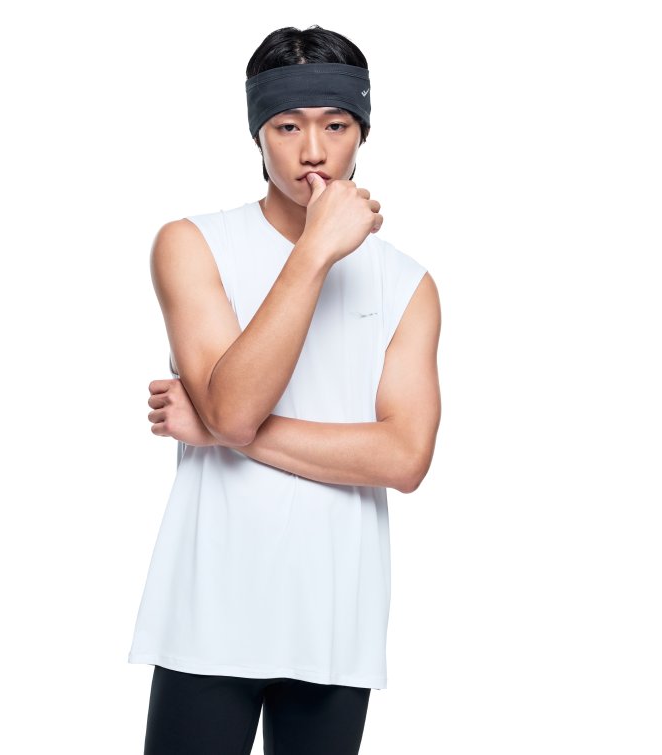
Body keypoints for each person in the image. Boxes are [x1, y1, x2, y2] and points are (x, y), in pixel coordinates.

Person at [129, 24, 442, 755]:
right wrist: (317, 248)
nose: (312, 151)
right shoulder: (191, 243)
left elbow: (403, 458)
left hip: (333, 622)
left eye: (335, 125)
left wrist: (218, 428)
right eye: (287, 126)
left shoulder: (407, 284)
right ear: (257, 133)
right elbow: (235, 406)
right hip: (208, 614)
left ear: (361, 131)